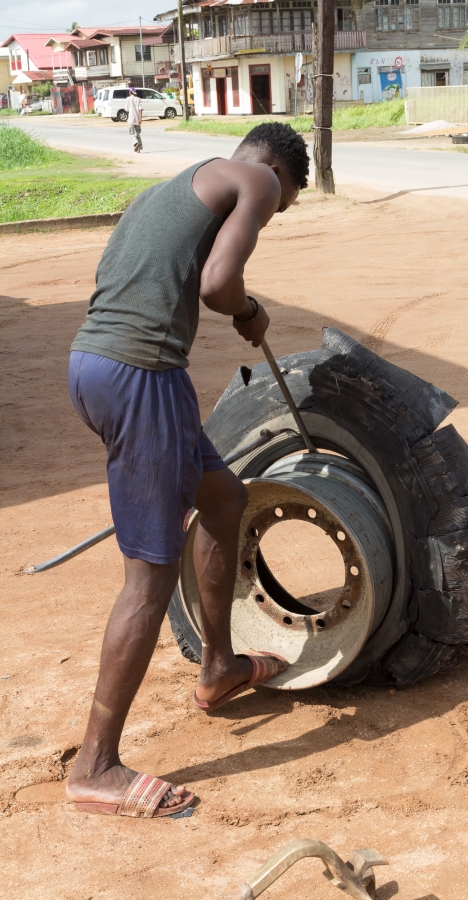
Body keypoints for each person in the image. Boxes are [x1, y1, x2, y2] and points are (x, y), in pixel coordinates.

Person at [65, 123, 310, 820]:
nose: (272, 209)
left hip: (95, 366)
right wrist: (250, 309)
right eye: (283, 202)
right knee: (148, 575)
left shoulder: (173, 186)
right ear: (278, 174)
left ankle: (219, 668)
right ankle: (95, 766)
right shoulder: (257, 178)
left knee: (225, 499)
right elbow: (218, 283)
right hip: (143, 376)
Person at [126, 86, 143, 153]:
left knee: (132, 134)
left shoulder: (128, 99)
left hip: (131, 118)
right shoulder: (138, 99)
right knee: (138, 134)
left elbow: (127, 110)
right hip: (138, 118)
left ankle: (136, 143)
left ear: (130, 92)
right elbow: (140, 109)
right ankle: (139, 149)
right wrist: (140, 118)